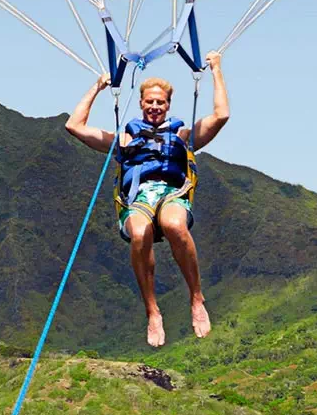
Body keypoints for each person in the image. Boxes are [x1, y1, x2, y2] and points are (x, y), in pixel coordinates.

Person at [64, 51, 229, 348]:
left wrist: (216, 69)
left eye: (160, 102)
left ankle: (196, 298)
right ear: (141, 103)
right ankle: (152, 311)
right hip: (137, 197)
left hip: (172, 193)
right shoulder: (124, 140)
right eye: (150, 101)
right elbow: (74, 126)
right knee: (140, 234)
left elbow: (221, 115)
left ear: (168, 106)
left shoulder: (183, 135)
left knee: (175, 226)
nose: (155, 106)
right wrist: (98, 87)